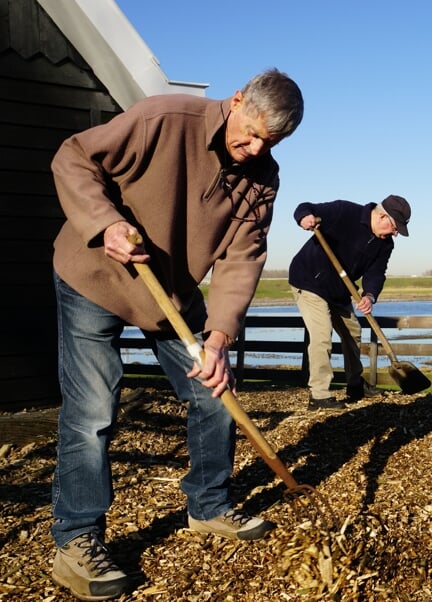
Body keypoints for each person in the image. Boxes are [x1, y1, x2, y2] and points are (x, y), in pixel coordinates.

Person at [48, 68, 303, 600]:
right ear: (236, 101)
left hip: (172, 298)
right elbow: (73, 156)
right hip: (94, 275)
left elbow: (242, 258)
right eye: (251, 132)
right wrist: (105, 222)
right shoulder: (162, 118)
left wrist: (218, 338)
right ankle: (77, 542)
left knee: (215, 392)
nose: (255, 149)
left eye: (270, 142)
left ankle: (208, 507)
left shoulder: (262, 180)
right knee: (93, 411)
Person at [288, 195, 411, 409]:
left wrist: (369, 295)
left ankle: (355, 385)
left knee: (353, 331)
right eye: (394, 227)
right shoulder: (344, 212)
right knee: (321, 334)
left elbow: (376, 272)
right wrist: (304, 217)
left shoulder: (385, 245)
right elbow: (305, 207)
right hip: (308, 280)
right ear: (383, 216)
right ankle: (318, 395)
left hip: (340, 288)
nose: (395, 234)